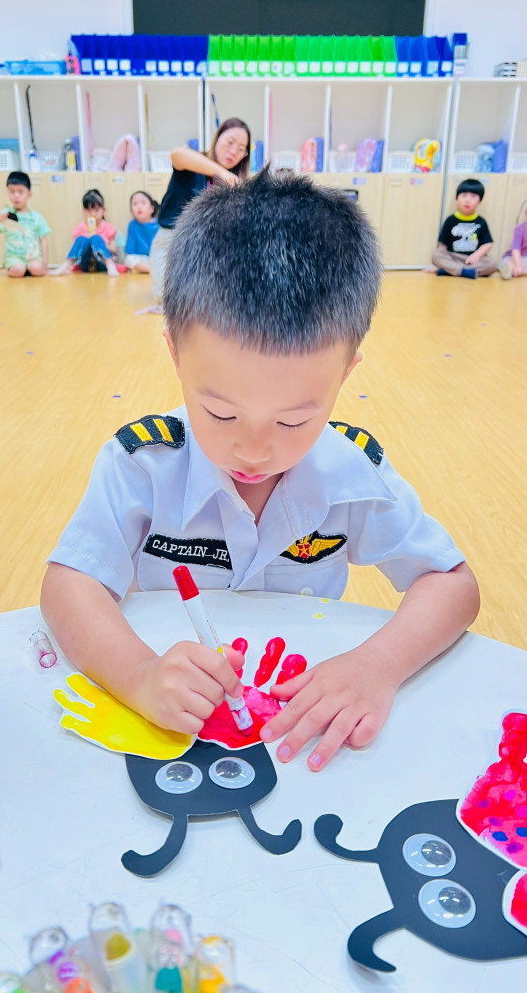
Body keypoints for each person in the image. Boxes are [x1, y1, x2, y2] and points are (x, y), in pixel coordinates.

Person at [41, 170, 480, 772]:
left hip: (292, 727)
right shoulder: (143, 464)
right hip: (179, 724)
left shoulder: (351, 469)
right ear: (175, 353)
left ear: (346, 374)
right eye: (220, 413)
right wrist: (139, 674)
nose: (253, 450)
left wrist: (377, 665)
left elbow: (453, 586)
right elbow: (69, 586)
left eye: (294, 421)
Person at [146, 118, 250, 313]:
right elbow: (177, 154)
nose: (233, 151)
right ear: (217, 138)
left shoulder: (236, 184)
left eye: (241, 149)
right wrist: (222, 173)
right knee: (168, 302)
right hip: (171, 241)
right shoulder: (195, 163)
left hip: (203, 250)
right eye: (230, 142)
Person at [429, 178, 497, 278]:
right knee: (436, 255)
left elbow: (488, 243)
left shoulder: (481, 221)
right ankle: (464, 271)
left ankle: (452, 271)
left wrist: (476, 255)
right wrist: (438, 264)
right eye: (464, 196)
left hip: (473, 260)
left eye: (473, 196)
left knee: (492, 264)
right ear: (457, 199)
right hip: (453, 257)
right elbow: (442, 246)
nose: (468, 200)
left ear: (479, 201)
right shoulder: (450, 220)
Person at [0, 171, 50, 277]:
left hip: (33, 256)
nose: (16, 196)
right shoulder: (6, 215)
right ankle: (17, 268)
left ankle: (28, 269)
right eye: (12, 191)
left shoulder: (36, 216)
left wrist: (45, 262)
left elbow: (43, 239)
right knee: (17, 270)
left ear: (29, 194)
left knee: (37, 269)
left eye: (20, 192)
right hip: (14, 257)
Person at [51, 189, 119, 276]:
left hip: (102, 264)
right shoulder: (80, 228)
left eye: (96, 210)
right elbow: (76, 249)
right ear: (84, 211)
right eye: (89, 211)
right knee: (81, 239)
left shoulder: (108, 228)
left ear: (103, 210)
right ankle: (66, 265)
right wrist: (87, 239)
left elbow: (113, 249)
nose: (93, 214)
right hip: (86, 264)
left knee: (96, 238)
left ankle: (110, 265)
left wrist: (97, 240)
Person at [125, 191, 160, 273]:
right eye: (135, 204)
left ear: (151, 209)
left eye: (143, 203)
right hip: (142, 259)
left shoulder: (159, 225)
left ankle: (153, 270)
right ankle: (154, 270)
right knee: (128, 259)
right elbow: (130, 251)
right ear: (132, 211)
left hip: (157, 257)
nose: (139, 207)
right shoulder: (132, 225)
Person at [499, 200, 527, 279]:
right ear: (526, 214)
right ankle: (509, 269)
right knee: (510, 263)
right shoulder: (520, 229)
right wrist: (518, 265)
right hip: (516, 257)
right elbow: (516, 249)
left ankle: (519, 271)